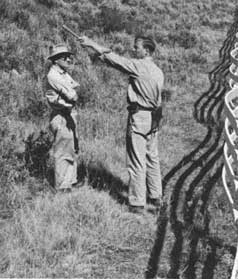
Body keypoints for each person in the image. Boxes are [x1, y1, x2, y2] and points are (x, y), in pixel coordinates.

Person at [79, 35, 164, 214]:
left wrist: (92, 43)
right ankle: (156, 198)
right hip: (153, 118)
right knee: (152, 158)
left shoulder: (139, 66)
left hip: (139, 116)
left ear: (146, 51)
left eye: (137, 47)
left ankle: (137, 203)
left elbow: (115, 60)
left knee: (136, 161)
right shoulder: (158, 71)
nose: (134, 50)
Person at [46, 44, 80, 193]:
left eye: (68, 55)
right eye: (63, 56)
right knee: (62, 151)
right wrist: (71, 97)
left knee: (72, 149)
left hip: (69, 114)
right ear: (55, 60)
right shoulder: (53, 76)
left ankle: (70, 182)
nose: (68, 58)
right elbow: (73, 95)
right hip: (61, 116)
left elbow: (75, 89)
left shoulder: (63, 73)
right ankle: (61, 186)